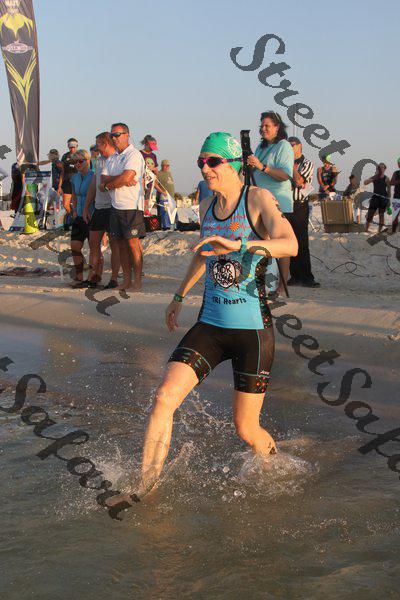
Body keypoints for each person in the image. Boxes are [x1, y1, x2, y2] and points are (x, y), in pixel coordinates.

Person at [140, 131, 298, 494]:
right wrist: (179, 295)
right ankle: (145, 487)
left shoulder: (257, 198)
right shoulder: (206, 205)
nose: (205, 168)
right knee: (164, 398)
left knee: (246, 429)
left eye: (213, 161)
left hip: (251, 331)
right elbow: (203, 253)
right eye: (201, 162)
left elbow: (289, 244)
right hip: (210, 324)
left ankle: (276, 467)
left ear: (235, 164)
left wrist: (239, 244)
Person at [247, 111, 294, 294]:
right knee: (262, 240)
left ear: (277, 127)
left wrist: (262, 166)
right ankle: (263, 281)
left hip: (278, 201)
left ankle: (282, 285)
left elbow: (285, 175)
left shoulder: (284, 146)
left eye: (267, 125)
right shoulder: (261, 146)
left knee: (280, 242)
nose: (263, 129)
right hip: (260, 201)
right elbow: (256, 171)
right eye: (261, 125)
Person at [100, 122, 145, 292]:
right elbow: (103, 181)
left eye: (117, 134)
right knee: (120, 246)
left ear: (127, 135)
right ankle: (126, 281)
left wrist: (111, 183)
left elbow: (126, 177)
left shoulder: (134, 155)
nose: (114, 138)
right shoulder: (111, 158)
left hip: (131, 206)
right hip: (115, 206)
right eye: (112, 135)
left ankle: (137, 282)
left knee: (133, 245)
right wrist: (119, 179)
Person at [83, 132, 120, 288]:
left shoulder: (118, 159)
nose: (96, 147)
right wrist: (86, 207)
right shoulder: (98, 161)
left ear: (106, 143)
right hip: (99, 207)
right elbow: (93, 184)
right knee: (93, 243)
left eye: (98, 144)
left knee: (115, 244)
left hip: (113, 207)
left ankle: (114, 278)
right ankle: (93, 276)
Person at [286, 137, 319, 288]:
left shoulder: (307, 163)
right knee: (289, 240)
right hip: (286, 204)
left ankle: (307, 277)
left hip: (299, 205)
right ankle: (294, 276)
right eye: (287, 145)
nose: (289, 147)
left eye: (292, 145)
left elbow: (299, 181)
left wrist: (292, 167)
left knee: (302, 241)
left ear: (299, 146)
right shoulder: (284, 162)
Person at [68, 149, 94, 288]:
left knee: (94, 248)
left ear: (87, 161)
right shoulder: (74, 178)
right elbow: (74, 195)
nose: (77, 164)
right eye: (75, 162)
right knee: (75, 246)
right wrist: (73, 210)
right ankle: (78, 277)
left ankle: (93, 277)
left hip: (91, 216)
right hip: (78, 216)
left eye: (80, 161)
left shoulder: (94, 175)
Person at [364, 163, 391, 233]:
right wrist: (373, 178)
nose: (381, 168)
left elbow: (389, 191)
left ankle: (379, 231)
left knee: (381, 215)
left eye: (382, 167)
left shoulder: (387, 178)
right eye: (379, 167)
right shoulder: (375, 177)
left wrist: (389, 201)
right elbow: (365, 182)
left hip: (383, 198)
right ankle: (366, 230)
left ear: (385, 169)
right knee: (370, 214)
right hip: (375, 198)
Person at [60, 138, 79, 225]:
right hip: (67, 182)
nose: (72, 149)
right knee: (65, 204)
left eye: (74, 147)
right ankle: (73, 217)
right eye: (70, 147)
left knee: (77, 204)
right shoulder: (65, 156)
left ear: (77, 146)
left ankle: (78, 220)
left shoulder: (80, 155)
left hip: (77, 182)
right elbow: (62, 171)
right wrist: (59, 185)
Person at [140, 134, 158, 214]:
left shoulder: (153, 155)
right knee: (141, 200)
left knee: (147, 201)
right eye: (151, 147)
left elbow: (156, 170)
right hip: (141, 182)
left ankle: (146, 213)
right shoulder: (139, 153)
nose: (152, 150)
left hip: (150, 182)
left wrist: (153, 169)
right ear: (146, 144)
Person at [156, 159, 176, 230]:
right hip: (163, 197)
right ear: (162, 166)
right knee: (163, 213)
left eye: (168, 165)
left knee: (171, 213)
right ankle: (162, 226)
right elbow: (155, 184)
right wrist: (162, 192)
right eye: (165, 165)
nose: (167, 167)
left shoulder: (169, 173)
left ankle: (171, 226)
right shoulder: (159, 174)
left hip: (171, 197)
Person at [390, 157, 400, 233]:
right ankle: (393, 231)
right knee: (395, 215)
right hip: (396, 197)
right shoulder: (396, 173)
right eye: (399, 163)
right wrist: (398, 181)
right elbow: (391, 182)